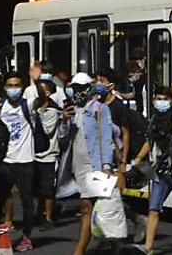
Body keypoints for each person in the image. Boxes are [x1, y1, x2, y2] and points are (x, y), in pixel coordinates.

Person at [131, 86, 172, 255]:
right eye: (158, 98)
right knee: (154, 208)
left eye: (164, 99)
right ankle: (148, 247)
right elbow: (150, 140)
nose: (160, 102)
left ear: (171, 102)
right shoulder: (154, 120)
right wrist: (138, 158)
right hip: (161, 169)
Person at [69, 72, 121, 255]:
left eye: (81, 88)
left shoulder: (99, 108)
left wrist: (106, 164)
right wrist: (64, 120)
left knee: (87, 206)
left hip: (95, 164)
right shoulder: (74, 110)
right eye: (75, 88)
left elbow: (107, 137)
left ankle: (79, 251)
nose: (77, 92)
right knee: (101, 206)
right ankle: (119, 235)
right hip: (79, 165)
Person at [96, 67, 147, 244]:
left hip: (116, 157)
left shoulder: (118, 107)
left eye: (101, 80)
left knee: (115, 195)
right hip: (101, 156)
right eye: (97, 80)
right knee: (105, 196)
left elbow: (125, 133)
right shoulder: (97, 104)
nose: (98, 84)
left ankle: (136, 221)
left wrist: (124, 160)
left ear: (111, 85)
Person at [0, 72, 38, 251]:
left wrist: (38, 81)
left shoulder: (28, 104)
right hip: (6, 160)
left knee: (27, 201)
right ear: (4, 87)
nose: (13, 89)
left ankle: (26, 237)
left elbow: (41, 99)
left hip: (25, 161)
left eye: (17, 85)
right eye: (10, 85)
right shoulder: (0, 104)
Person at [32, 79, 63, 231]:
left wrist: (38, 114)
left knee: (48, 188)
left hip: (49, 155)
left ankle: (49, 218)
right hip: (34, 155)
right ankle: (39, 213)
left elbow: (47, 131)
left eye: (40, 90)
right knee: (38, 188)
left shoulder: (52, 111)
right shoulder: (34, 109)